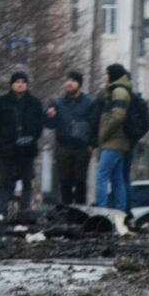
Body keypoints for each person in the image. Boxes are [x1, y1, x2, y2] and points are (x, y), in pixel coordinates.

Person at [0, 71, 44, 219]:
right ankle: (1, 210)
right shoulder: (2, 102)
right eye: (17, 82)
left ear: (27, 85)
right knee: (5, 181)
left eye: (23, 82)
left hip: (27, 149)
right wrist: (2, 141)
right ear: (12, 84)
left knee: (27, 180)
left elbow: (39, 125)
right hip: (7, 148)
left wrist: (32, 138)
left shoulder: (34, 103)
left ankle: (24, 211)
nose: (20, 85)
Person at [45, 71, 93, 206]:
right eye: (68, 80)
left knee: (80, 181)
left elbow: (95, 124)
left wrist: (92, 143)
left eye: (73, 81)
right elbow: (49, 125)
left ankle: (80, 211)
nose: (69, 83)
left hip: (82, 147)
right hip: (63, 146)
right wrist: (49, 116)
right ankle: (66, 211)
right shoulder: (58, 103)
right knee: (64, 181)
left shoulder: (88, 103)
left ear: (79, 84)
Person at [95, 64, 135, 211]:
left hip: (114, 141)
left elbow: (117, 116)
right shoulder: (120, 90)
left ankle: (101, 209)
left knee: (101, 176)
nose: (105, 77)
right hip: (118, 141)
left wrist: (103, 134)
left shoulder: (118, 91)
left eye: (107, 74)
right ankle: (120, 211)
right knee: (117, 179)